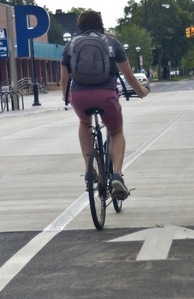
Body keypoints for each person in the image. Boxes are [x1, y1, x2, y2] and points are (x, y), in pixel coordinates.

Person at [60, 10, 149, 200]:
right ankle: (117, 174)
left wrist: (66, 98)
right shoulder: (112, 43)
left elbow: (63, 79)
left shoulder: (70, 45)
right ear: (101, 24)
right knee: (116, 131)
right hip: (106, 95)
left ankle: (89, 170)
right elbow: (129, 76)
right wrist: (142, 92)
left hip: (80, 96)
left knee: (85, 123)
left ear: (79, 26)